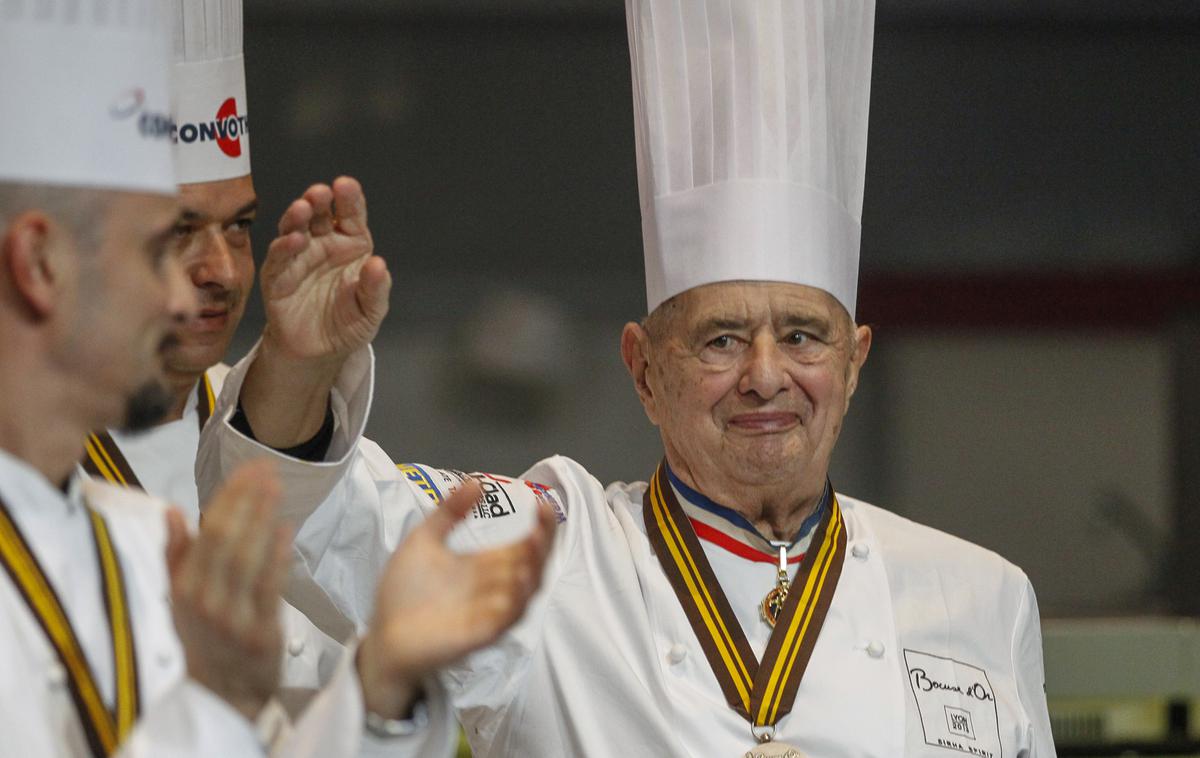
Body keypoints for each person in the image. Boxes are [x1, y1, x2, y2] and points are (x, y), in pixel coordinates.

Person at [199, 0, 1057, 756]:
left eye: (803, 336)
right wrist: (301, 364)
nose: (766, 377)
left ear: (855, 360)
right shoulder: (547, 558)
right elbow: (306, 517)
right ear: (643, 370)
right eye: (721, 341)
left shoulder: (981, 597)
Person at [0, 4, 553, 757]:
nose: (200, 285)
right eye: (159, 245)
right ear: (39, 265)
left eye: (237, 226)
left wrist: (384, 679)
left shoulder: (125, 539)